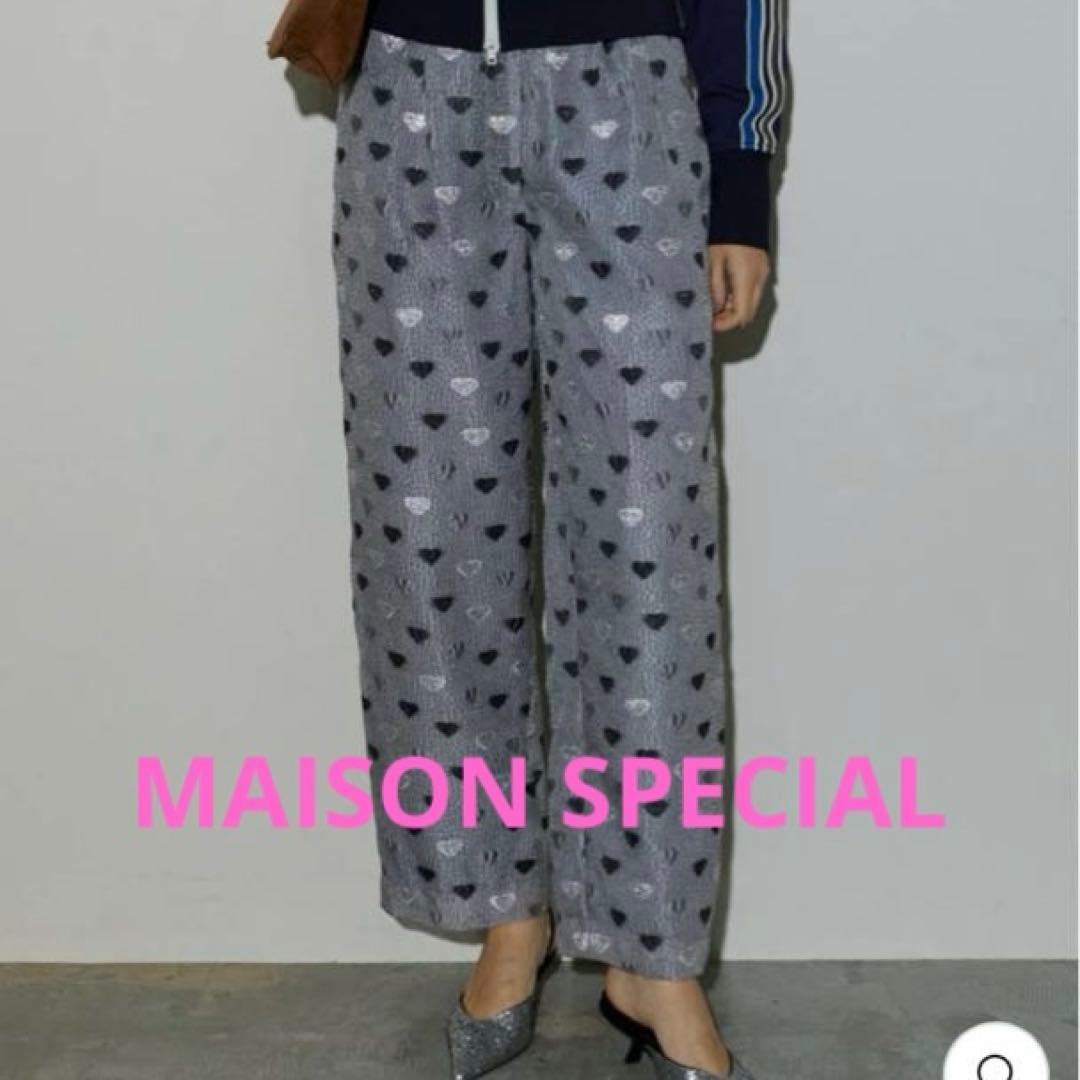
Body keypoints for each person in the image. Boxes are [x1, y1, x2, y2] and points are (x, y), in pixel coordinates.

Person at [330, 0, 788, 1076]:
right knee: (429, 544)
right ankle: (505, 909)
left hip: (626, 97)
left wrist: (739, 172)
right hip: (410, 95)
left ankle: (652, 952)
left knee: (651, 551)